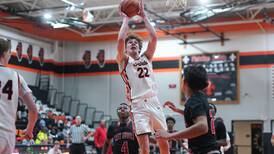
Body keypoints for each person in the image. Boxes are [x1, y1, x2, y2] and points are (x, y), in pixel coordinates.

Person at [116, 1, 169, 154]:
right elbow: (120, 40)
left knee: (163, 143)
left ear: (139, 47)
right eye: (129, 42)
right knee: (144, 148)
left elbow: (154, 38)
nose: (132, 43)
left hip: (153, 101)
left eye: (135, 42)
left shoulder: (146, 57)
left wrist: (145, 17)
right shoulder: (124, 61)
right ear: (125, 49)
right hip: (138, 105)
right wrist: (126, 19)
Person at [156, 65, 220, 154]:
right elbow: (196, 115)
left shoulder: (194, 101)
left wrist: (170, 135)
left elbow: (202, 127)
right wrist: (178, 110)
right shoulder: (200, 97)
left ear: (185, 82)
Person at [0, 38, 38, 154]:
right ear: (5, 53)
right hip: (8, 136)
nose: (10, 55)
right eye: (9, 52)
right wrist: (29, 130)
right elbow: (33, 110)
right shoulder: (17, 77)